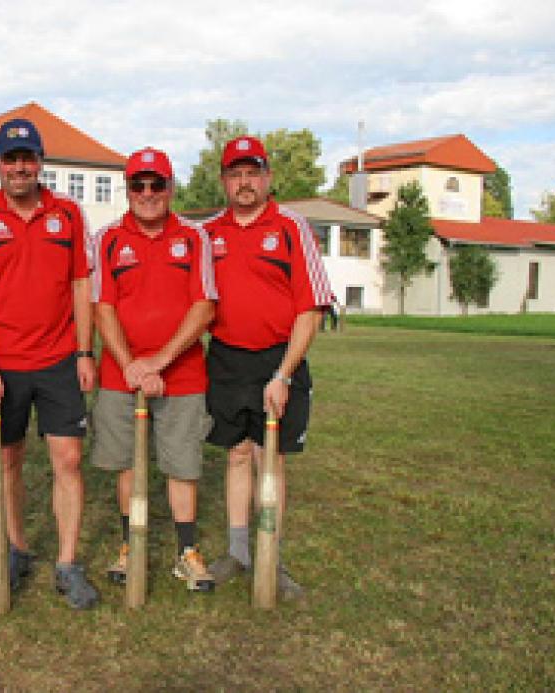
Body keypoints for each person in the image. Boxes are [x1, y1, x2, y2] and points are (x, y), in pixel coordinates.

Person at [0, 118, 98, 609]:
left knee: (69, 460)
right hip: (2, 365)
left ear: (40, 163)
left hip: (60, 359)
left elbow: (82, 285)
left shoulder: (68, 215)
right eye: (10, 159)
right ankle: (17, 548)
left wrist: (84, 352)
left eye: (28, 158)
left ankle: (67, 564)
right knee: (7, 460)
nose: (19, 168)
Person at [202, 135, 334, 600]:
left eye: (252, 174)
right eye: (235, 175)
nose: (244, 183)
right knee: (237, 455)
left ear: (267, 178)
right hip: (226, 358)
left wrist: (284, 374)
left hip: (278, 359)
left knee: (268, 458)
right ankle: (238, 553)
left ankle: (269, 558)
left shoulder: (292, 228)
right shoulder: (210, 233)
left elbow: (311, 309)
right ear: (224, 181)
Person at [91, 148, 218, 592]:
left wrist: (158, 361)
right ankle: (131, 546)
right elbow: (102, 307)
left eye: (156, 184)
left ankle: (187, 552)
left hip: (180, 373)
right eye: (138, 185)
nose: (147, 194)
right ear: (127, 190)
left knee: (182, 465)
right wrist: (130, 365)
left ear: (171, 188)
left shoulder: (194, 237)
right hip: (120, 373)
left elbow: (204, 307)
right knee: (127, 463)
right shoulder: (107, 238)